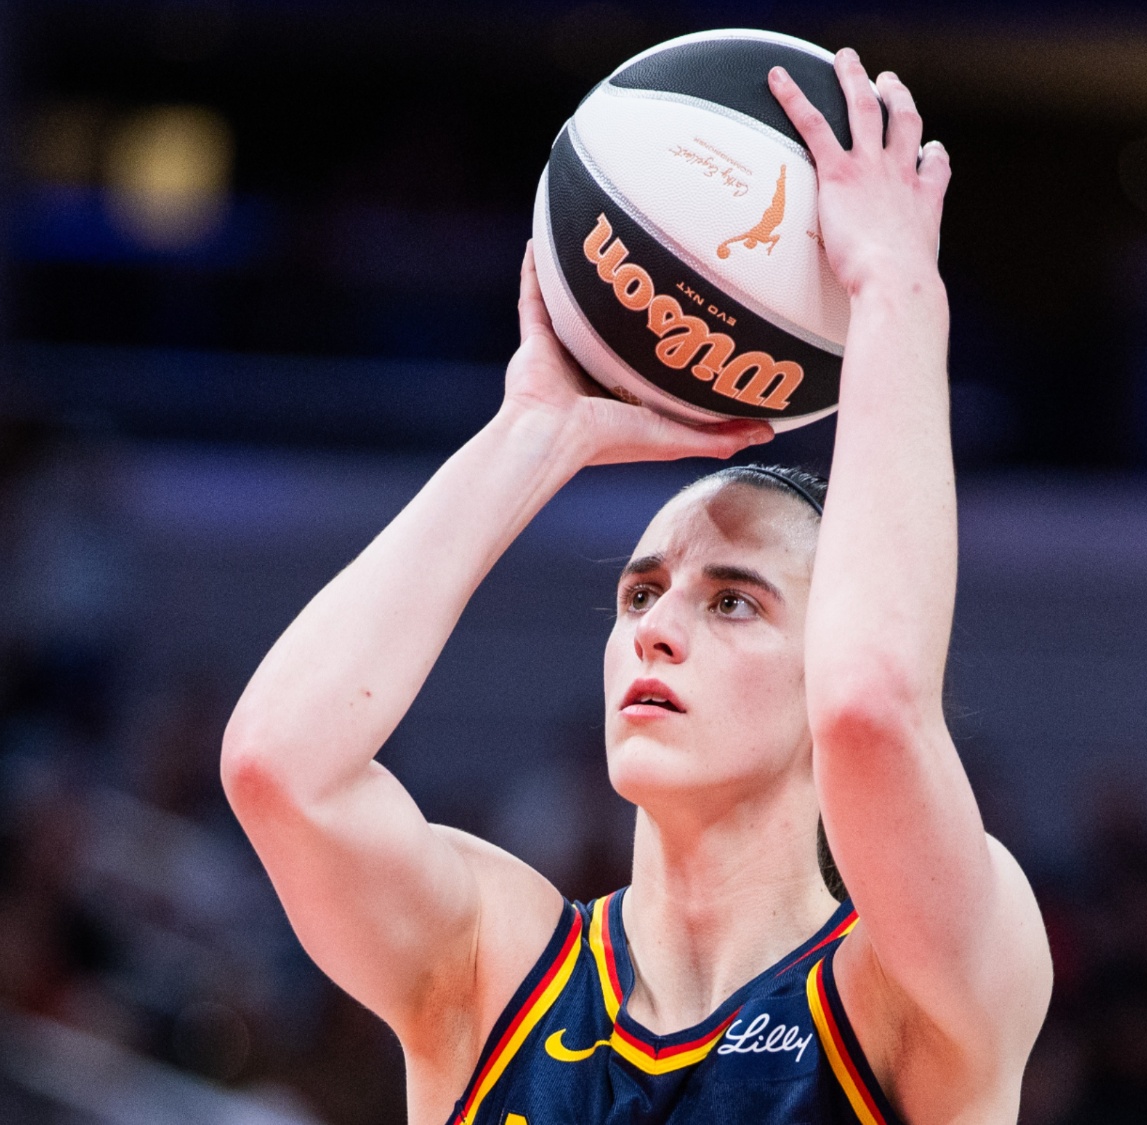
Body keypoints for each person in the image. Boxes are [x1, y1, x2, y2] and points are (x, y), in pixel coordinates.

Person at [222, 51, 1051, 1123]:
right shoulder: (495, 971)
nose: (657, 630)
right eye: (640, 594)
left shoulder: (907, 993)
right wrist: (533, 432)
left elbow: (870, 711)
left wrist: (895, 292)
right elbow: (278, 768)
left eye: (733, 601)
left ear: (824, 654)